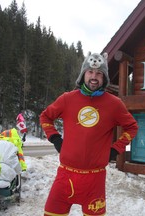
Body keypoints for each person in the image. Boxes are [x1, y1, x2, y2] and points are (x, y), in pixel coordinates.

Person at [40, 52, 138, 216]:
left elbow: (132, 127)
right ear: (83, 74)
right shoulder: (67, 99)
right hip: (65, 176)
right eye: (90, 72)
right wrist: (55, 138)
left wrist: (115, 150)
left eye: (99, 73)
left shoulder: (114, 104)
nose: (94, 77)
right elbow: (45, 117)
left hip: (95, 180)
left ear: (104, 78)